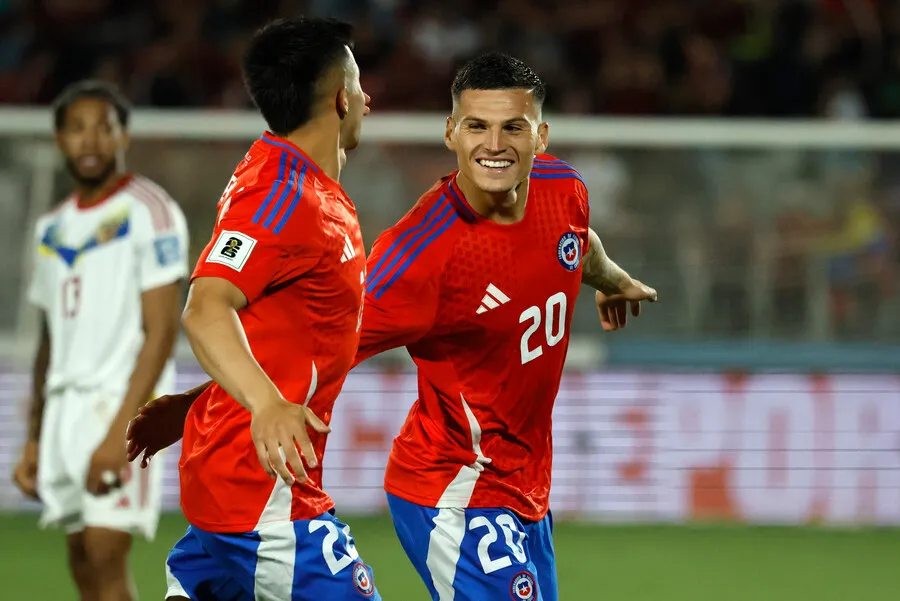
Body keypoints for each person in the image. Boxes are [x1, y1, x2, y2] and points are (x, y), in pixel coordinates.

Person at [127, 53, 655, 601]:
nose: (494, 145)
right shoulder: (418, 258)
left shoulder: (562, 187)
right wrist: (201, 403)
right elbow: (319, 351)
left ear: (539, 137)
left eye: (512, 128)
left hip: (524, 482)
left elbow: (576, 244)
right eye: (477, 126)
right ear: (451, 132)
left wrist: (613, 280)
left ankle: (204, 576)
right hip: (456, 485)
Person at [155, 17, 378, 601]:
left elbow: (270, 317)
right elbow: (205, 308)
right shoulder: (284, 197)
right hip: (263, 491)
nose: (368, 100)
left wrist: (213, 394)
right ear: (339, 98)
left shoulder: (289, 176)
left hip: (237, 473)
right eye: (358, 85)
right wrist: (264, 401)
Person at [12, 80, 189, 601]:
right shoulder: (52, 227)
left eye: (103, 128)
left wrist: (122, 432)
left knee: (107, 556)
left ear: (123, 137)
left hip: (119, 404)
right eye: (76, 128)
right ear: (60, 140)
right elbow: (49, 340)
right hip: (64, 412)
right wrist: (34, 436)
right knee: (82, 560)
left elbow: (162, 330)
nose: (89, 140)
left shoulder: (150, 212)